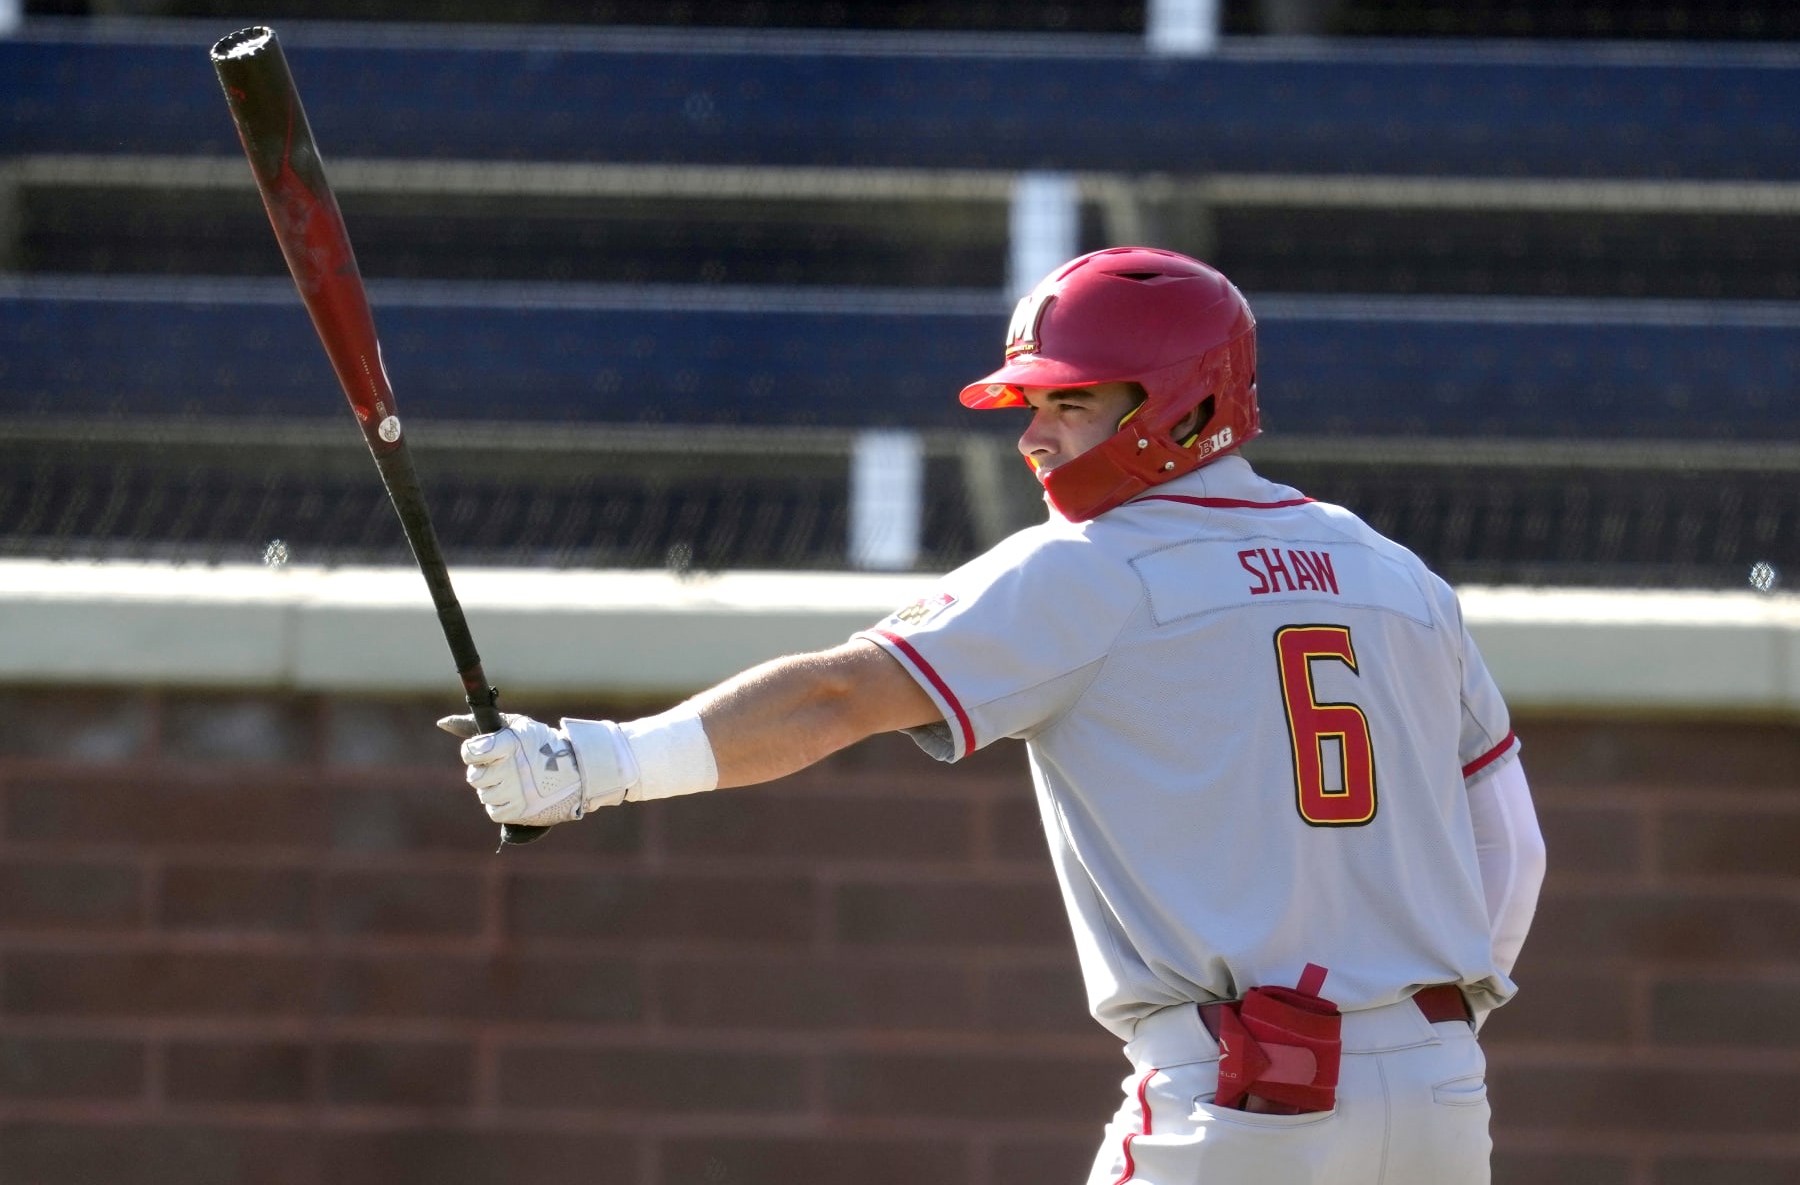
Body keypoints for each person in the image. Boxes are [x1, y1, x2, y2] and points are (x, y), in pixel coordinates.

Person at [440, 247, 1546, 1184]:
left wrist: (598, 764)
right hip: (1443, 1102)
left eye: (1076, 399)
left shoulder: (1095, 568)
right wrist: (1410, 1033)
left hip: (1242, 1096)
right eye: (1035, 403)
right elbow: (1514, 849)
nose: (1037, 433)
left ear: (1186, 401)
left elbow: (836, 693)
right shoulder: (1397, 574)